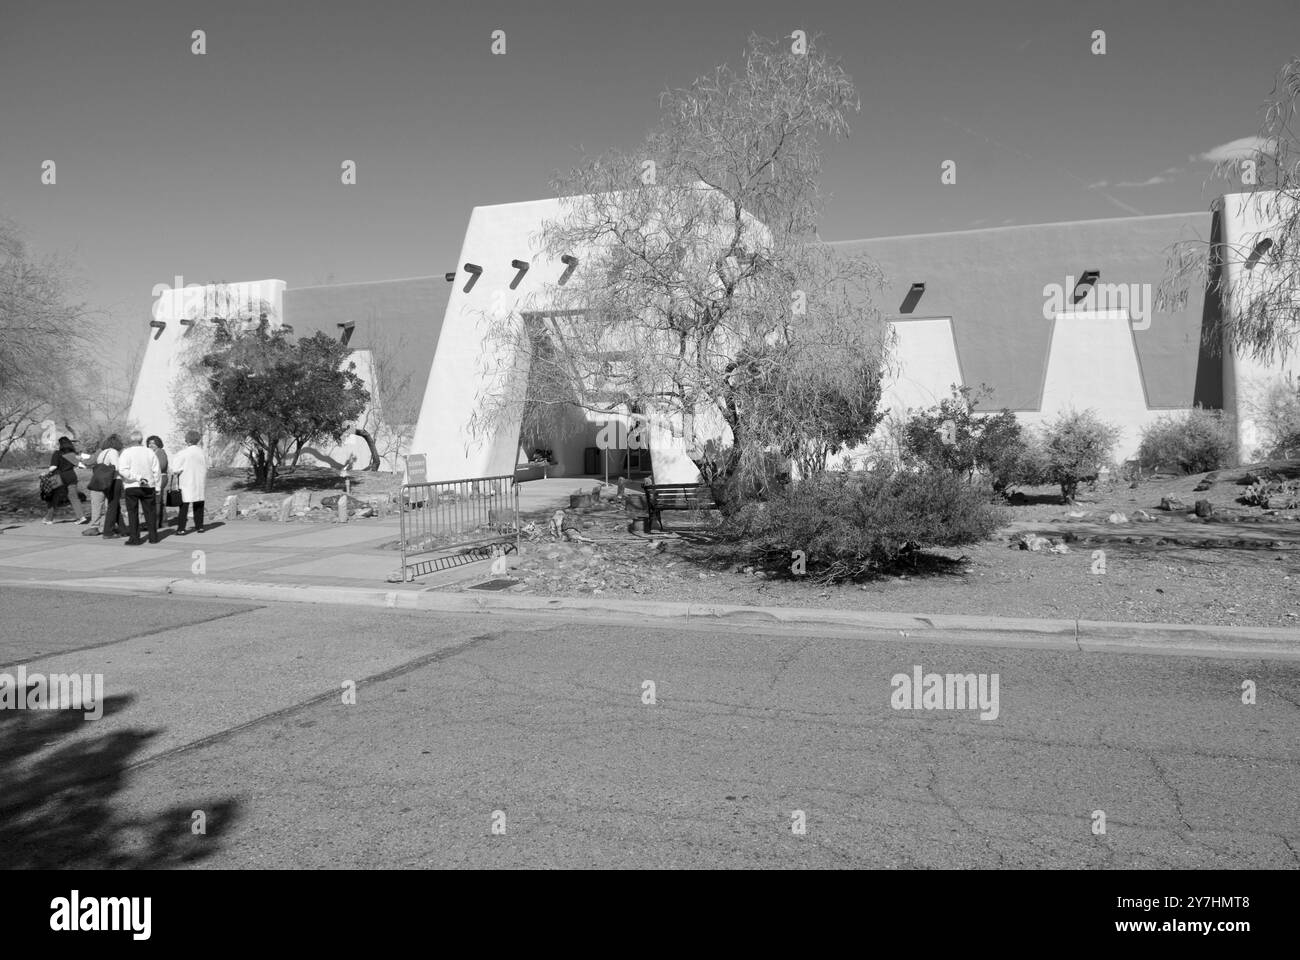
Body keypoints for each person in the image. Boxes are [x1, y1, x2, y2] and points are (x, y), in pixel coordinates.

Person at [117, 432, 161, 545]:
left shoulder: (126, 453)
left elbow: (122, 470)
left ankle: (135, 538)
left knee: (132, 512)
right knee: (150, 512)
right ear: (141, 440)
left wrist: (135, 477)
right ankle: (153, 537)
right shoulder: (149, 452)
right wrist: (157, 486)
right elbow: (156, 470)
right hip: (148, 485)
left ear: (131, 440)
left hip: (132, 486)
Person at [84, 434, 128, 537]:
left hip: (100, 481)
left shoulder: (102, 453)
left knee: (112, 505)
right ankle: (109, 530)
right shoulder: (113, 452)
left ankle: (123, 529)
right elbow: (117, 467)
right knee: (112, 506)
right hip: (112, 481)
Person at [42, 436, 88, 525]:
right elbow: (79, 465)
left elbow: (53, 467)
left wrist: (46, 472)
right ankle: (81, 517)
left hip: (59, 478)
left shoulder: (57, 453)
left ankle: (48, 519)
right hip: (71, 476)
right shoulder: (72, 454)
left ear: (60, 444)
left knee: (54, 498)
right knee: (74, 497)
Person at [170, 429, 208, 535]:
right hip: (199, 481)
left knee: (184, 506)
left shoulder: (183, 453)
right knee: (199, 503)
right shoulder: (202, 453)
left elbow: (175, 469)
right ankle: (200, 526)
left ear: (187, 440)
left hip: (186, 481)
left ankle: (181, 528)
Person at [147, 436, 170, 526]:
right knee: (159, 500)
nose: (151, 445)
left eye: (153, 443)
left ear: (158, 443)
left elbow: (162, 465)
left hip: (160, 478)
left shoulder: (160, 452)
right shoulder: (152, 452)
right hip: (155, 478)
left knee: (155, 500)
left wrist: (148, 468)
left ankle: (155, 523)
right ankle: (163, 522)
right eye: (149, 443)